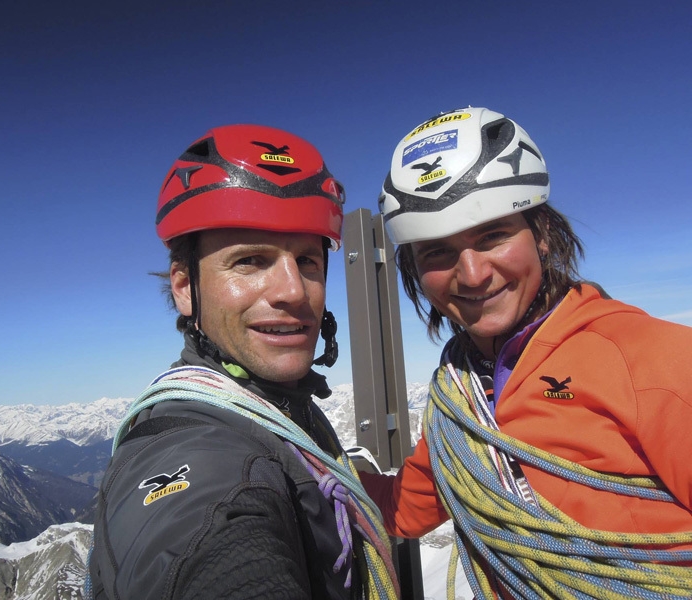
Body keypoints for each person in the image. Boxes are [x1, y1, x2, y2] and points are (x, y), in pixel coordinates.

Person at [361, 107, 692, 599]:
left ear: (540, 233)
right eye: (437, 251)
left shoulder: (654, 360)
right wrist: (322, 475)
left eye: (492, 235)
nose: (471, 274)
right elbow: (411, 508)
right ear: (413, 267)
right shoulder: (460, 392)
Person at [87, 124, 399, 600]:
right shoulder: (197, 448)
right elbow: (205, 538)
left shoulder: (283, 412)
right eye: (251, 261)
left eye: (307, 261)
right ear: (183, 286)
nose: (294, 291)